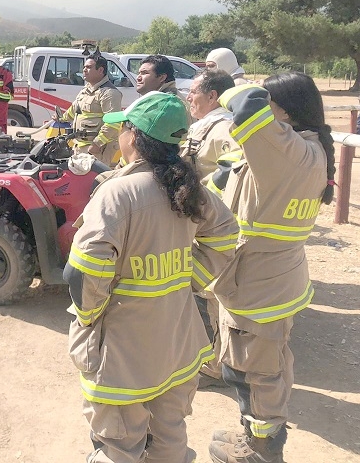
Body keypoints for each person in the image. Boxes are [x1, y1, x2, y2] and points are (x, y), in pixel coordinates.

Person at [63, 92, 238, 463]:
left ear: (132, 135)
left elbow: (84, 269)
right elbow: (225, 234)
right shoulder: (189, 187)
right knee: (169, 438)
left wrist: (90, 316)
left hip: (125, 351)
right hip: (177, 342)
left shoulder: (117, 192)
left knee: (119, 446)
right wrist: (190, 278)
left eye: (123, 128)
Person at [208, 73, 335, 463]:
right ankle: (256, 437)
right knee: (258, 366)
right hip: (274, 277)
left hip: (258, 282)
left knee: (257, 373)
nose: (265, 108)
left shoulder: (288, 148)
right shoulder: (307, 149)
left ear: (285, 109)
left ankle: (261, 450)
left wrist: (245, 87)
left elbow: (243, 108)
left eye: (271, 102)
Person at [180, 69, 239, 391]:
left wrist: (203, 198)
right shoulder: (205, 127)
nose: (189, 97)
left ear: (213, 96)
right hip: (203, 222)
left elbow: (237, 168)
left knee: (216, 295)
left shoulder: (223, 129)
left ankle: (217, 367)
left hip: (216, 226)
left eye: (194, 91)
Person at [57, 49, 122, 166]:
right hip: (81, 146)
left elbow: (113, 123)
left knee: (95, 181)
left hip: (98, 149)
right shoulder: (85, 90)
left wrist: (97, 144)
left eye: (89, 67)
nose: (84, 70)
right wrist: (61, 118)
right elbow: (74, 110)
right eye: (84, 67)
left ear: (101, 70)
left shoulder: (109, 93)